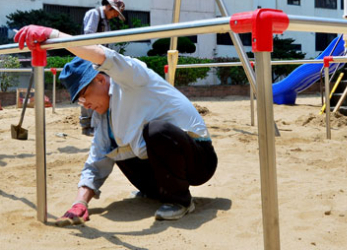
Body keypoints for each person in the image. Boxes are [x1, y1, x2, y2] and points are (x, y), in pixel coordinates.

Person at [13, 25, 217, 224]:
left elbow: (103, 55)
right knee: (115, 149)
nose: (86, 105)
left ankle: (180, 201)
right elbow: (97, 159)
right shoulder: (103, 117)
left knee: (156, 131)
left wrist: (54, 35)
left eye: (84, 96)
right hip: (163, 166)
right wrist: (80, 202)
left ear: (101, 80)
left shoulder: (132, 78)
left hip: (198, 159)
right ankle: (157, 190)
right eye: (81, 102)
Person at [79, 0, 126, 136]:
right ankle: (86, 126)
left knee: (102, 90)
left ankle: (98, 124)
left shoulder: (105, 19)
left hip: (100, 60)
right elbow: (88, 36)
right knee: (88, 90)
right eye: (115, 13)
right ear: (110, 8)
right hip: (89, 58)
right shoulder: (94, 14)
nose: (114, 16)